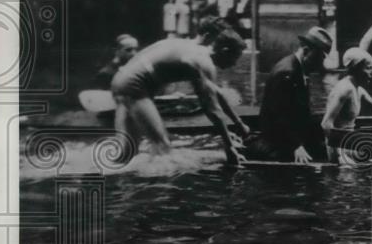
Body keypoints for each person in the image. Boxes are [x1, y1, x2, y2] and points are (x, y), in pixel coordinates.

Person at [110, 30, 249, 164]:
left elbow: (217, 93)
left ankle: (95, 171)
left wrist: (238, 123)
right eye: (235, 58)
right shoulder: (205, 64)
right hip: (134, 86)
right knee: (162, 147)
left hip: (122, 79)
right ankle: (159, 186)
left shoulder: (196, 51)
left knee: (127, 153)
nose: (234, 64)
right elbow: (212, 109)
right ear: (224, 51)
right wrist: (229, 147)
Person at [246, 26, 332, 164]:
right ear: (306, 51)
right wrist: (296, 146)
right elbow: (279, 116)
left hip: (291, 135)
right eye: (318, 59)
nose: (319, 65)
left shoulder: (299, 68)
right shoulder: (287, 73)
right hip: (275, 140)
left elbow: (301, 112)